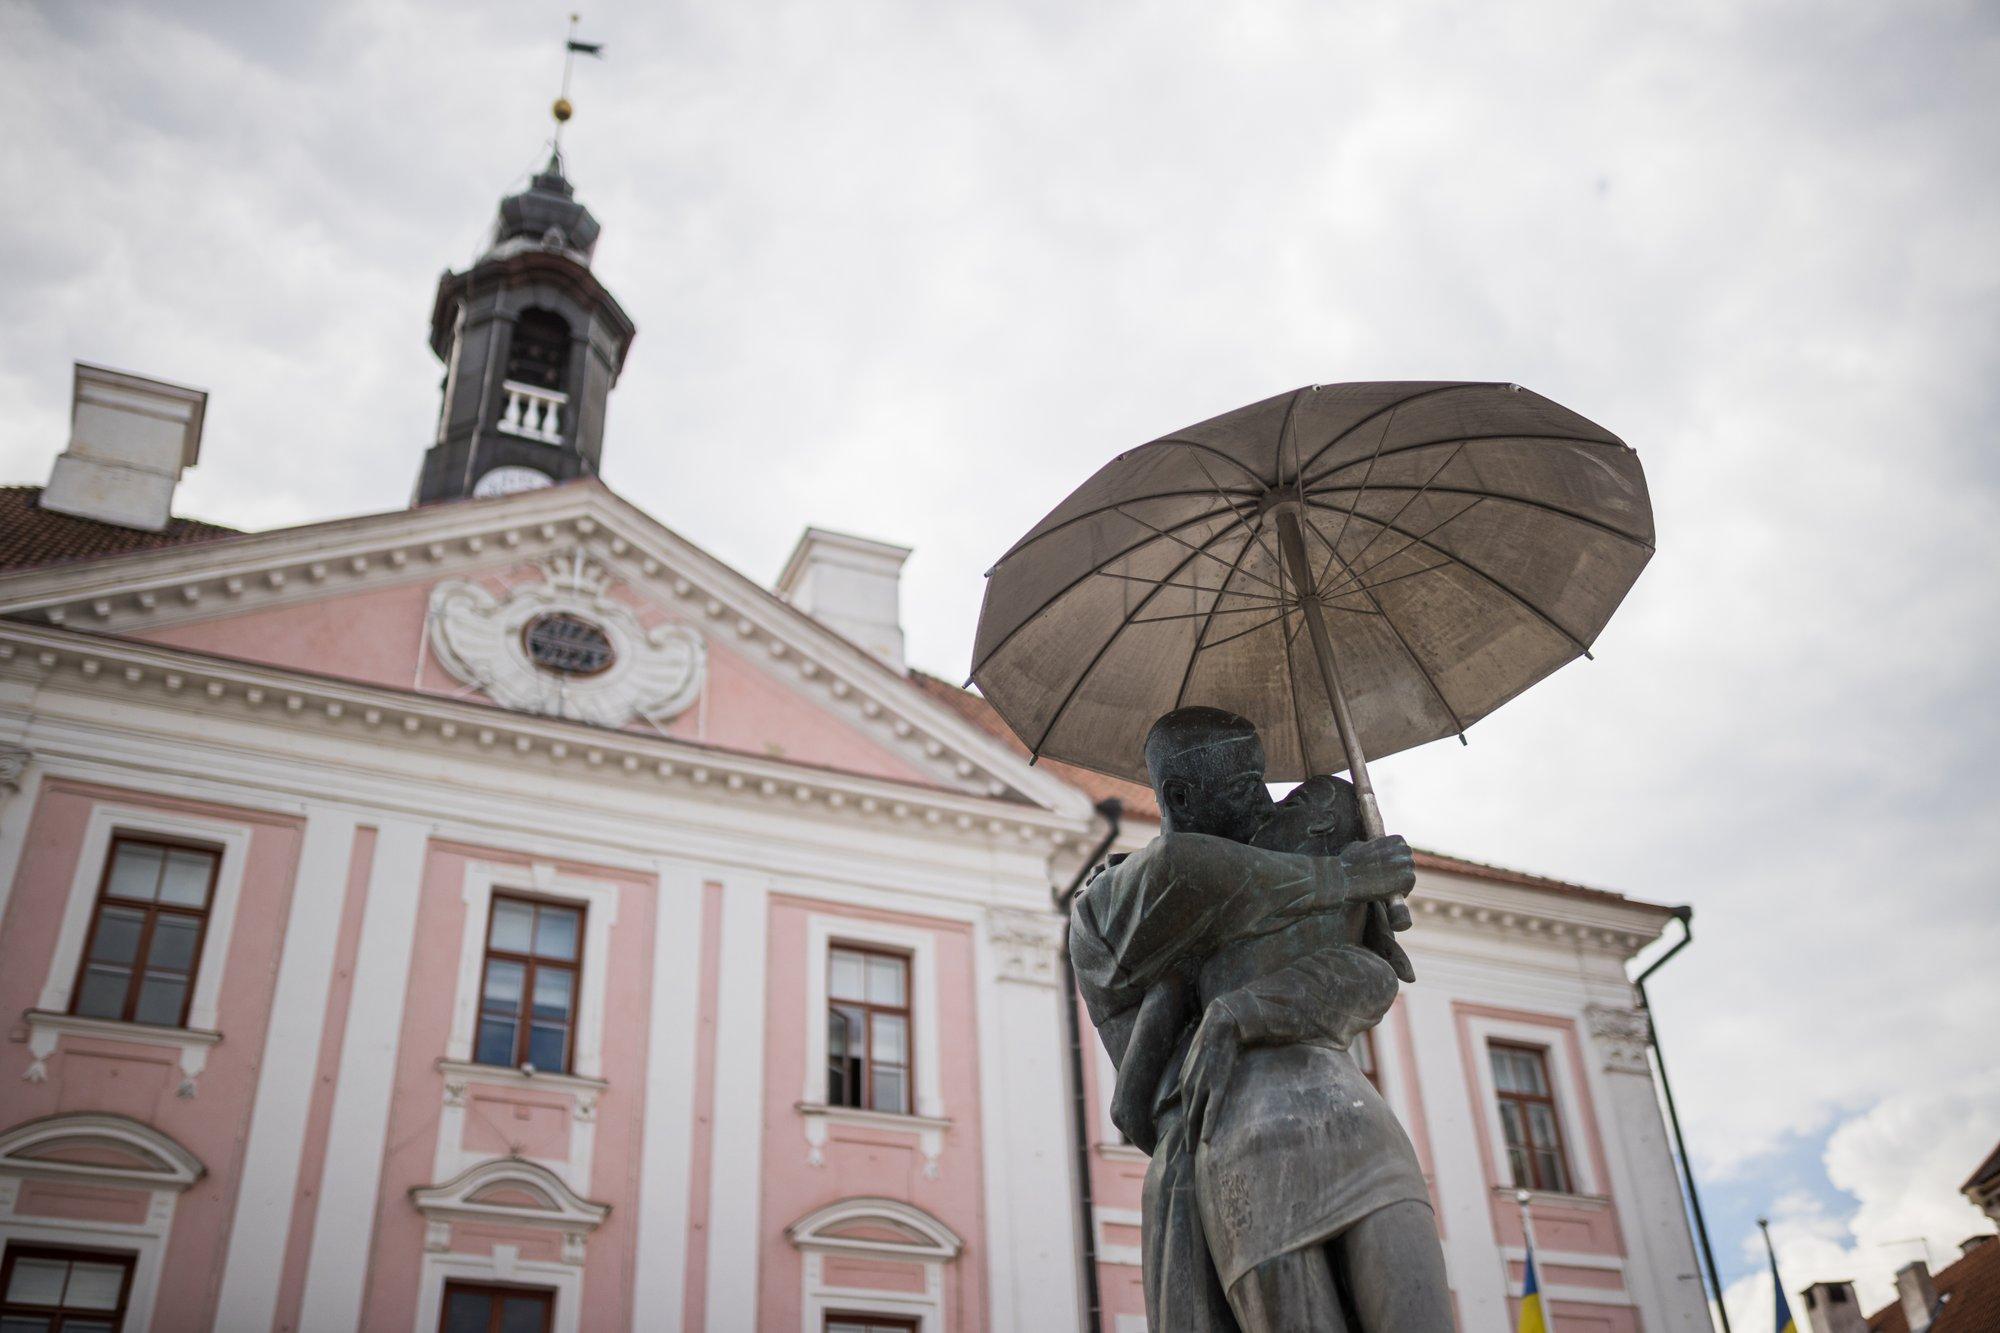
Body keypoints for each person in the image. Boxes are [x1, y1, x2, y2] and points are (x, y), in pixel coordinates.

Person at [1070, 706, 1453, 1332]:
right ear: (1181, 795)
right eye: (1246, 786)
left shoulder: (1272, 866)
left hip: (1348, 1114)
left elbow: (1374, 979)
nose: (1265, 803)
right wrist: (1345, 877)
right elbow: (1186, 869)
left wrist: (1362, 916)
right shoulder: (1107, 905)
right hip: (1221, 1151)